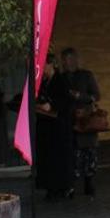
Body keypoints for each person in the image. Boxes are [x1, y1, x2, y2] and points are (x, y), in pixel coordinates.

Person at [61, 47, 101, 197]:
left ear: (75, 60)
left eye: (69, 59)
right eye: (64, 59)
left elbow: (96, 96)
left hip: (85, 122)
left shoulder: (86, 75)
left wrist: (80, 96)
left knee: (88, 153)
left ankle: (89, 184)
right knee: (72, 155)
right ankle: (70, 185)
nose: (66, 62)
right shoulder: (62, 78)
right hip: (69, 122)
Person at [34, 53, 75, 200]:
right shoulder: (44, 82)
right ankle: (50, 187)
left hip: (59, 127)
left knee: (60, 158)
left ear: (51, 65)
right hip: (46, 126)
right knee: (48, 158)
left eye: (44, 65)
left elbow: (67, 101)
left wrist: (52, 105)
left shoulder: (61, 80)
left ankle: (62, 187)